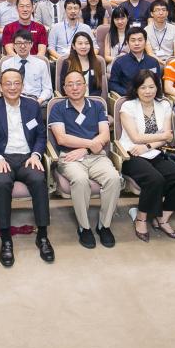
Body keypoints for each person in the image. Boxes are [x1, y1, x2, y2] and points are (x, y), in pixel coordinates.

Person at [0, 69, 54, 267]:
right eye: (8, 84)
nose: (12, 87)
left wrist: (36, 154)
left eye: (16, 83)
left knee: (39, 180)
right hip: (1, 157)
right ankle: (6, 239)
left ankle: (43, 236)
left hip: (27, 157)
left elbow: (40, 135)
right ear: (0, 87)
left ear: (22, 85)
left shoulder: (32, 106)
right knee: (2, 184)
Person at [49, 70, 121, 249]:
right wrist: (89, 144)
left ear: (85, 85)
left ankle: (104, 225)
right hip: (69, 157)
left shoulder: (96, 106)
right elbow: (62, 139)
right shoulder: (58, 107)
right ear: (64, 88)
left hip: (96, 156)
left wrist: (85, 148)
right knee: (80, 181)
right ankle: (84, 227)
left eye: (78, 83)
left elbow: (104, 134)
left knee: (114, 179)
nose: (74, 87)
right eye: (70, 84)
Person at [120, 70, 175, 242]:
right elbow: (135, 137)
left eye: (151, 87)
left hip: (153, 151)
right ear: (136, 89)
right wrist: (161, 137)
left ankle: (162, 218)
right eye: (143, 87)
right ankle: (141, 218)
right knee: (155, 179)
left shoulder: (164, 105)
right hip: (132, 154)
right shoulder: (127, 106)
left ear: (157, 87)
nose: (148, 91)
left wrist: (148, 145)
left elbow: (168, 136)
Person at [0, 29, 53, 106]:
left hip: (36, 101)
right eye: (19, 43)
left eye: (26, 43)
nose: (22, 46)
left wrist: (39, 100)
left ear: (31, 44)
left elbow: (47, 89)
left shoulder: (41, 64)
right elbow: (4, 87)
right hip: (13, 100)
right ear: (14, 46)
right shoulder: (7, 64)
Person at [108, 27, 160, 98]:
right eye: (133, 40)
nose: (137, 43)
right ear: (127, 42)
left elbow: (157, 84)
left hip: (150, 98)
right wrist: (130, 93)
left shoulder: (153, 62)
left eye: (140, 40)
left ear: (145, 41)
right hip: (129, 99)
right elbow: (112, 84)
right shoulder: (119, 62)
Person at [60, 32, 104, 97]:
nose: (84, 46)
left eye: (87, 43)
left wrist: (89, 100)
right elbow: (64, 87)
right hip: (73, 100)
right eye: (80, 43)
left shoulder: (96, 63)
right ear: (73, 46)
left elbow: (99, 88)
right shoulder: (67, 63)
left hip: (92, 101)